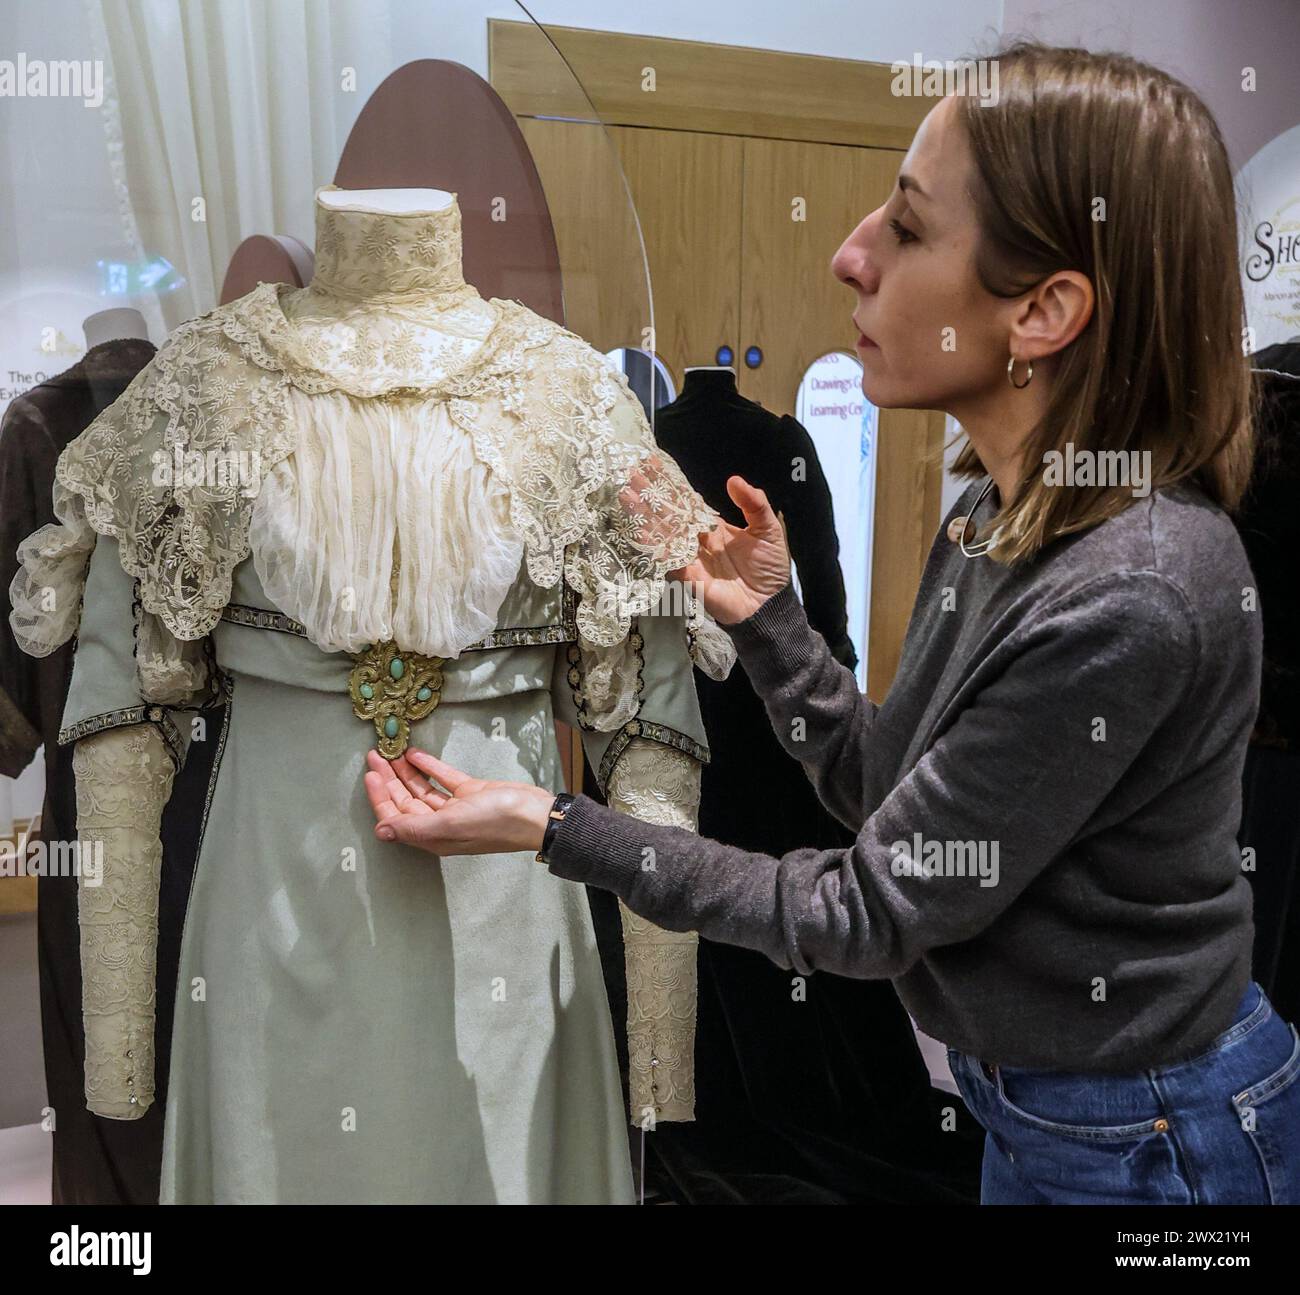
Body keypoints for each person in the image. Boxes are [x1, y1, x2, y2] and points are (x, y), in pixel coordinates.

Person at [361, 41, 1300, 1205]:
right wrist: (768, 618)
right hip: (1041, 1104)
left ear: (1046, 308)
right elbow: (889, 789)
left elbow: (867, 910)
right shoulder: (996, 515)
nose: (847, 253)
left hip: (1148, 1143)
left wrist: (552, 823)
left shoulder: (1133, 592)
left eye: (907, 227)